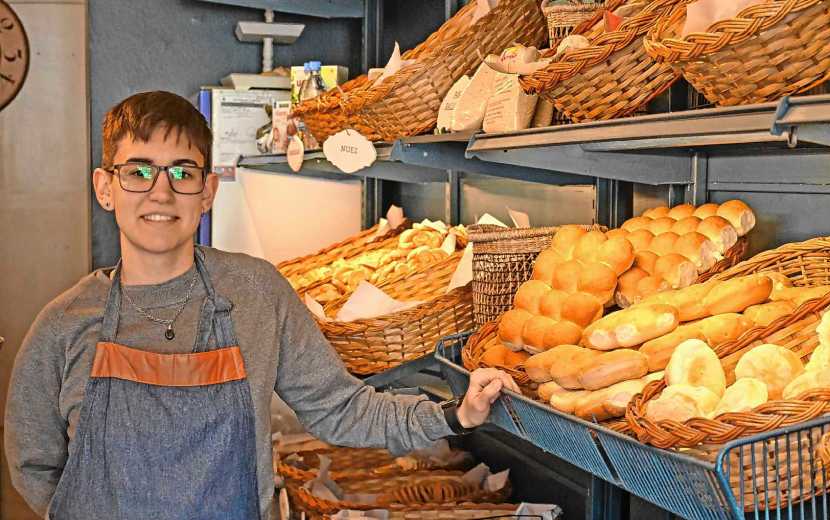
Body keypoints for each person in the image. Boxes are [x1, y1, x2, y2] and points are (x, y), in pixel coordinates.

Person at [4, 90, 520, 520]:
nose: (161, 193)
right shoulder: (63, 325)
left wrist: (456, 415)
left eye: (183, 173)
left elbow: (342, 408)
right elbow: (34, 465)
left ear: (207, 191)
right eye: (138, 171)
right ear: (105, 188)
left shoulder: (254, 293)